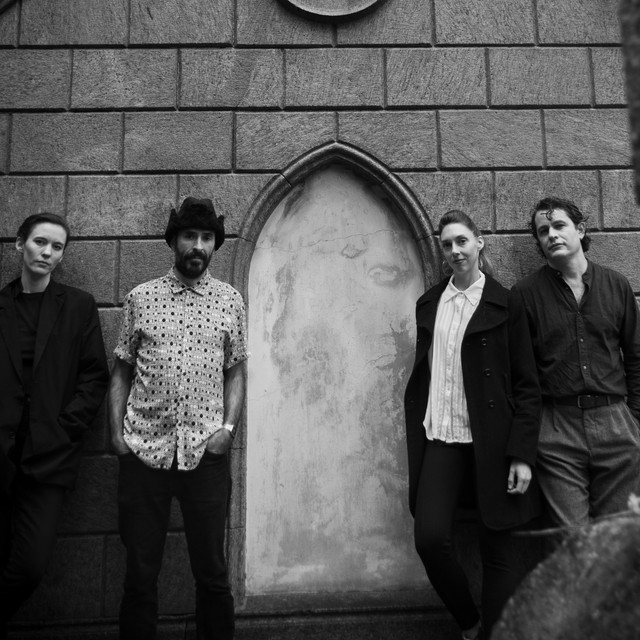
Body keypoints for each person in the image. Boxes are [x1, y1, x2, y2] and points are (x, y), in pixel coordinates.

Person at [108, 197, 247, 640]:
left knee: (212, 573)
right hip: (143, 452)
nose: (198, 246)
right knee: (139, 574)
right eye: (189, 236)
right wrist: (117, 438)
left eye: (206, 238)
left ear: (215, 245)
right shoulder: (140, 298)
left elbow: (236, 370)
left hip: (205, 454)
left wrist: (227, 431)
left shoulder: (230, 301)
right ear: (173, 241)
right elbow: (121, 369)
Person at [404, 210, 541, 640]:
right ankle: (469, 623)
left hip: (494, 441)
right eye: (447, 244)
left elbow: (527, 384)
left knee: (498, 548)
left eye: (462, 241)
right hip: (442, 437)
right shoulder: (430, 303)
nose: (455, 251)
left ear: (480, 242)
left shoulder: (507, 302)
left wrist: (522, 454)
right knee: (429, 539)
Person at [0, 213, 109, 638]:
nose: (47, 252)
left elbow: (94, 376)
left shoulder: (78, 306)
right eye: (40, 242)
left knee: (29, 566)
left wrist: (65, 429)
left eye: (57, 247)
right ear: (19, 244)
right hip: (1, 454)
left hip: (48, 457)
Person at [511, 197, 640, 527]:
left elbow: (636, 358)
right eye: (543, 231)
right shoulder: (525, 294)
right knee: (571, 538)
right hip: (557, 429)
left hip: (616, 422)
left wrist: (634, 421)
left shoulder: (616, 285)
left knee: (617, 537)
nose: (551, 235)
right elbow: (521, 374)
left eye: (559, 225)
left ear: (580, 230)